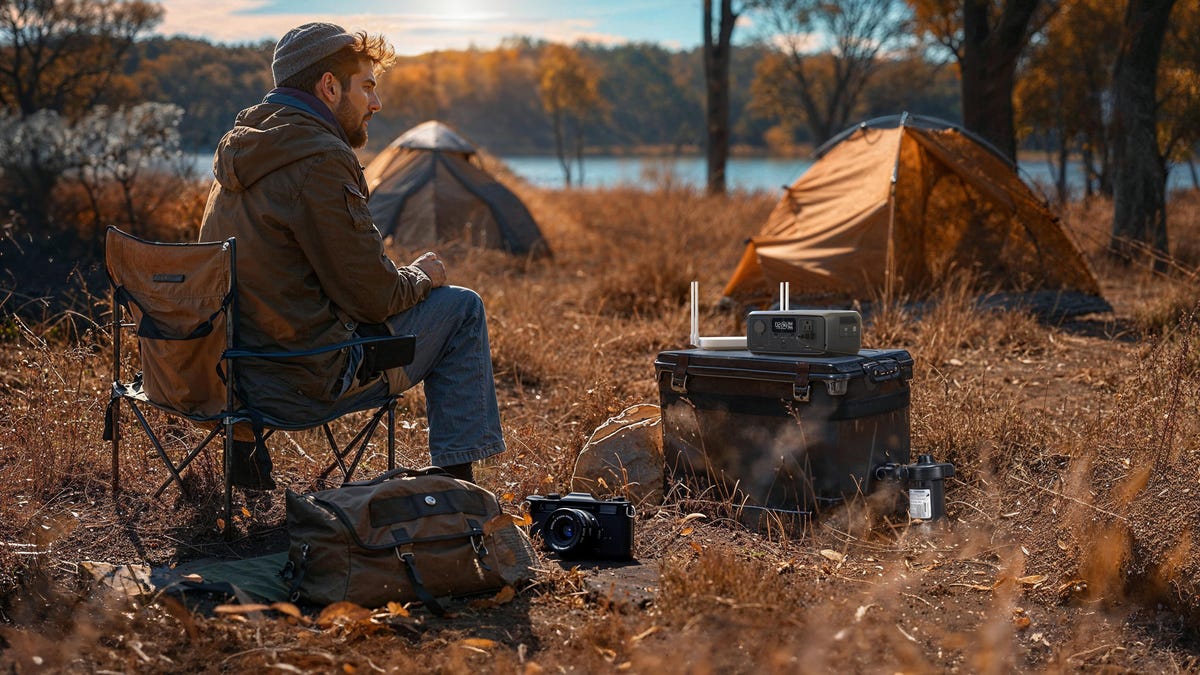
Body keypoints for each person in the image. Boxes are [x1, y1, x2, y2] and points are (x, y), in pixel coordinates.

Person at [198, 23, 505, 489]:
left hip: (223, 375)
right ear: (328, 86)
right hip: (300, 383)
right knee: (462, 308)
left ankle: (244, 452)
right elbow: (373, 298)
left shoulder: (241, 148)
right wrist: (420, 276)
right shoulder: (319, 159)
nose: (376, 104)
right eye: (367, 87)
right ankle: (455, 488)